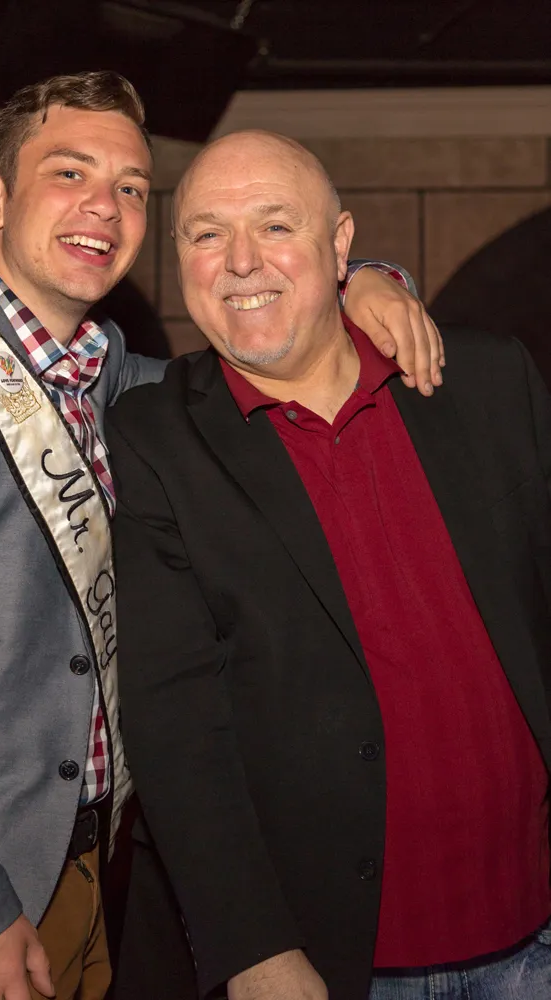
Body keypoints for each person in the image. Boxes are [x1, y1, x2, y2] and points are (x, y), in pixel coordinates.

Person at [0, 70, 439, 1000]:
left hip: (81, 869)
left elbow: (273, 334)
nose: (104, 208)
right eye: (68, 174)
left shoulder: (111, 374)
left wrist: (370, 280)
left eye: (131, 188)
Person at [106, 130, 551, 1000]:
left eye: (276, 226)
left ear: (340, 244)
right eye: (206, 233)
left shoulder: (487, 381)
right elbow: (174, 720)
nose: (240, 261)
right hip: (332, 963)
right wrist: (252, 948)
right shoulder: (154, 440)